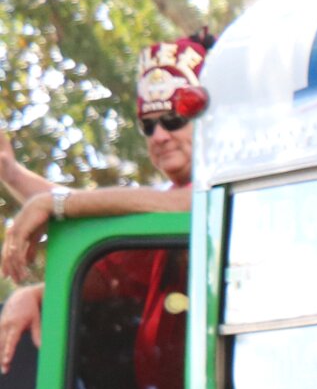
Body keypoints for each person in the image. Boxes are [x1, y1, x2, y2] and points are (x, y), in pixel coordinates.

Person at [0, 33, 210, 371]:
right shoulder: (162, 201)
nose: (159, 135)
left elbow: (186, 204)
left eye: (174, 120)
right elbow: (102, 240)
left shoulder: (229, 179)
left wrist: (55, 204)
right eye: (148, 125)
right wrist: (36, 294)